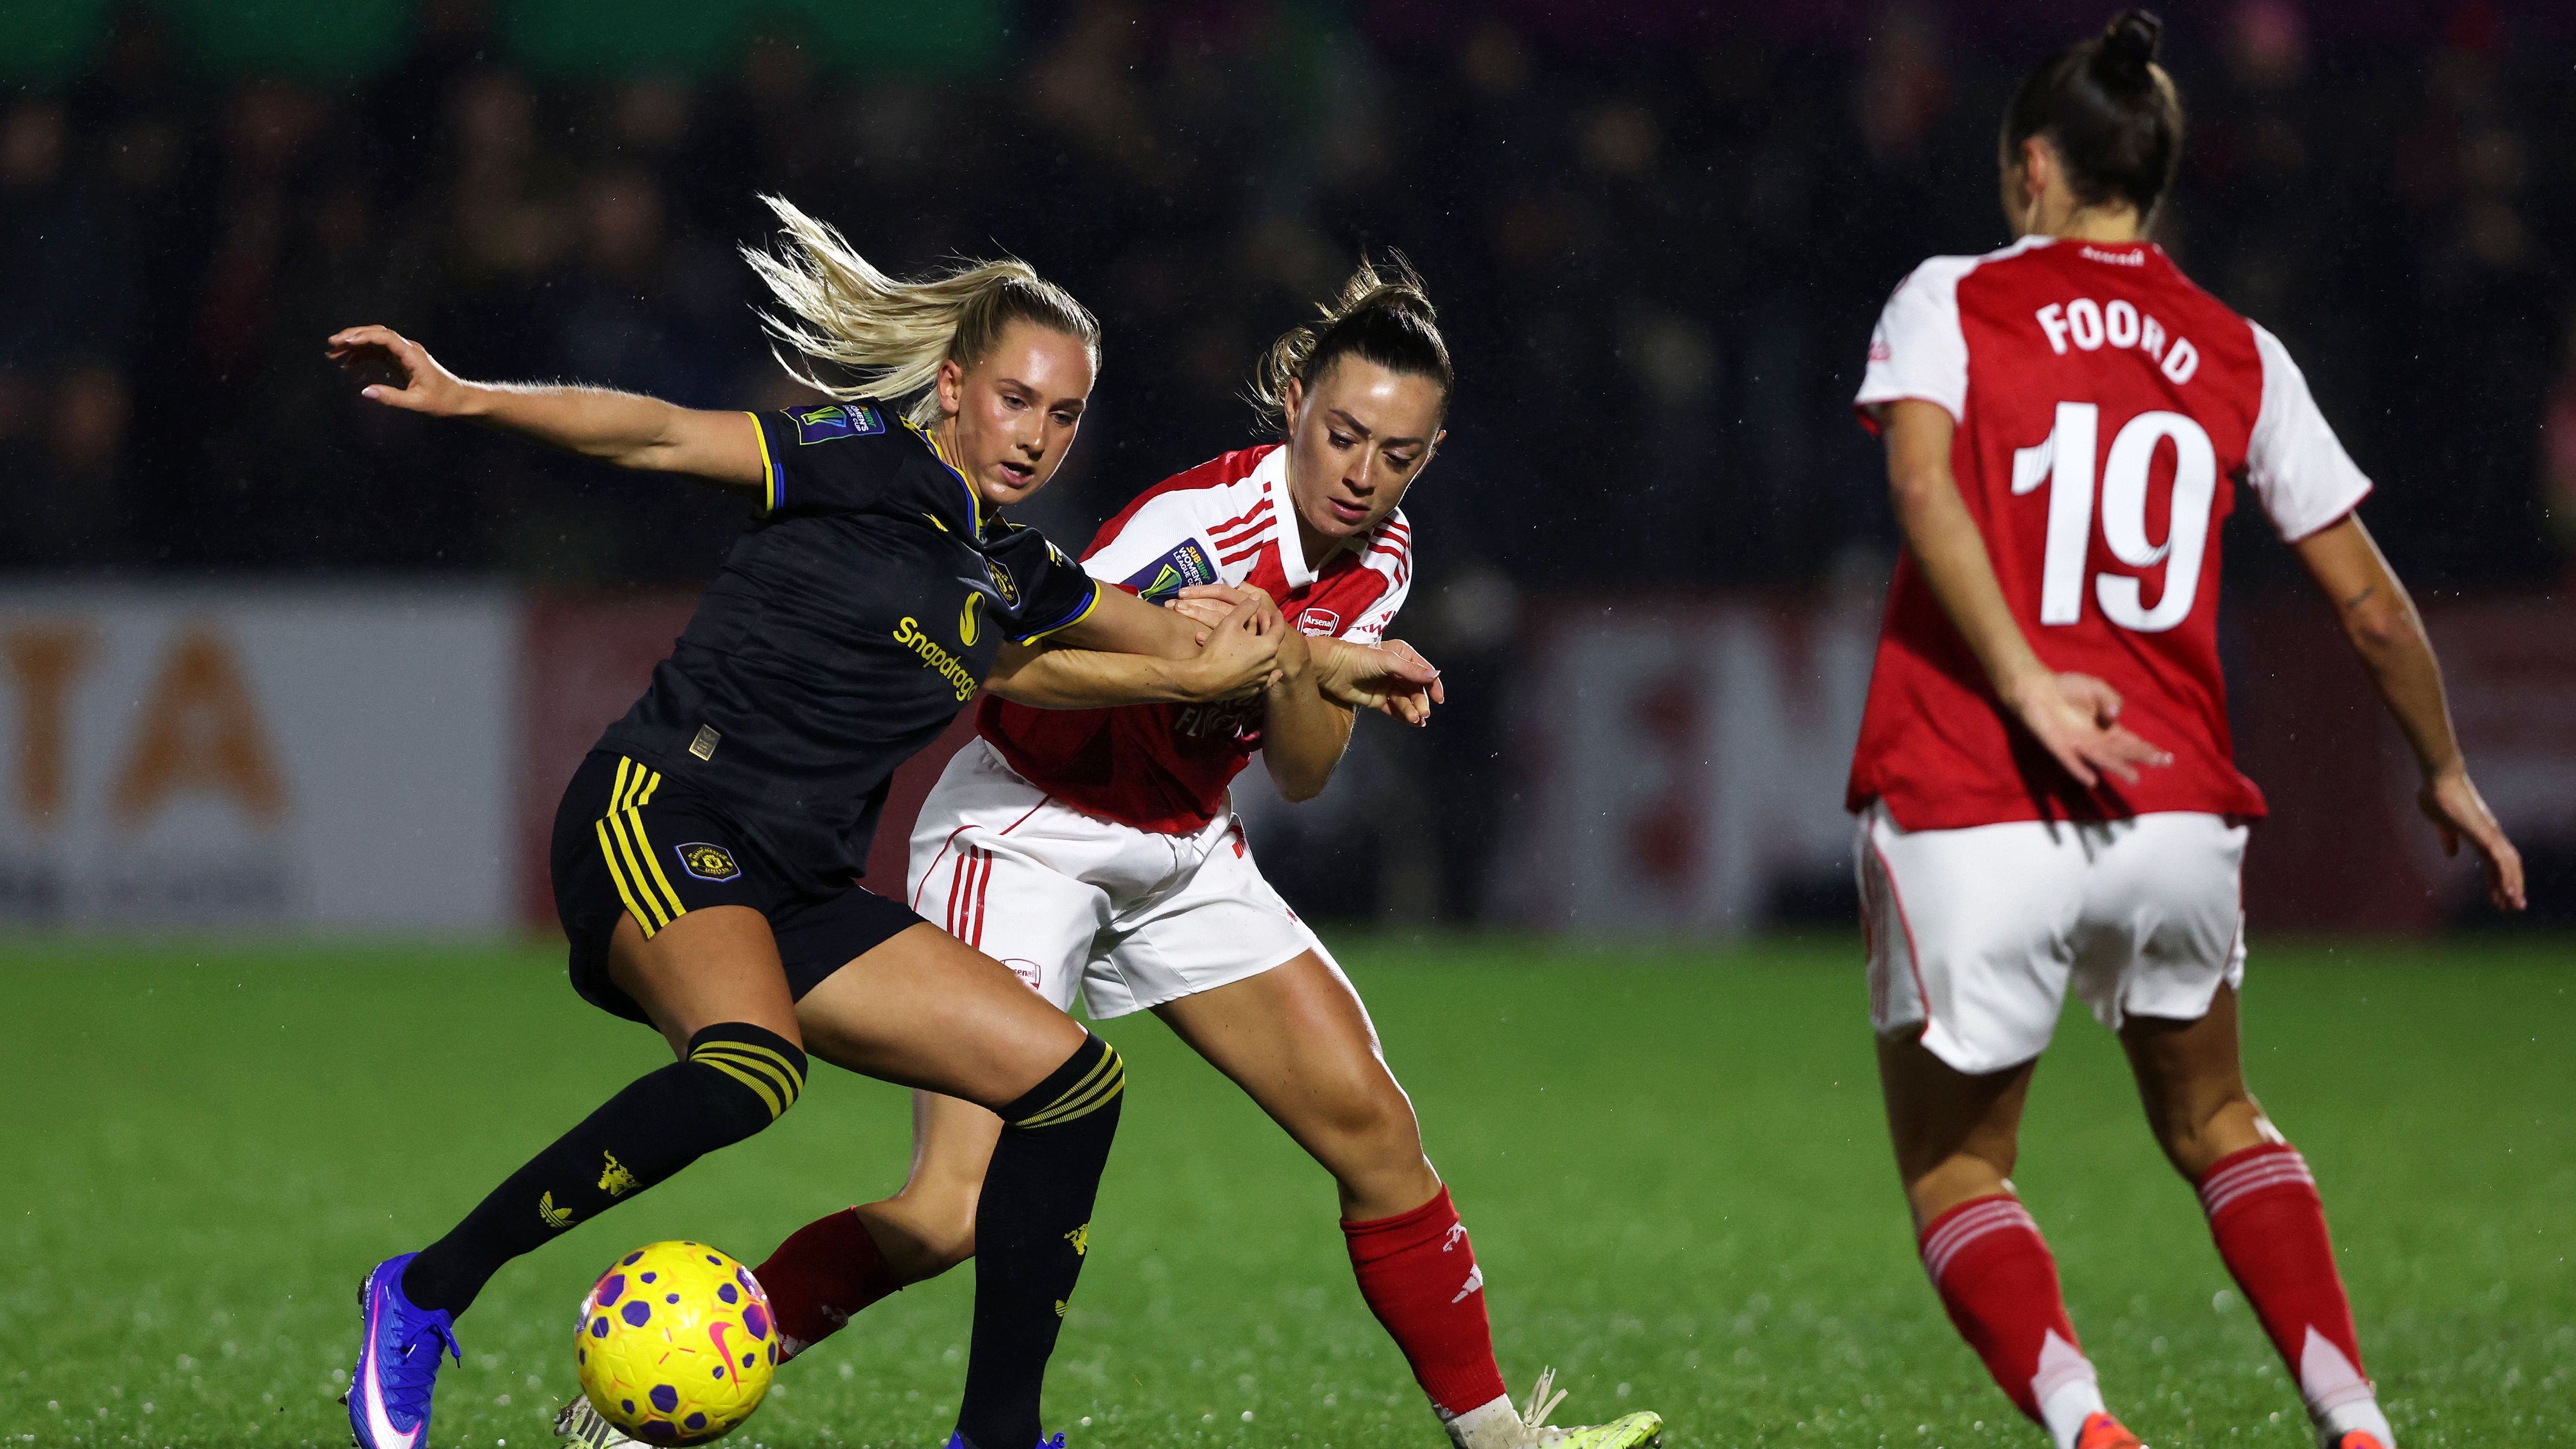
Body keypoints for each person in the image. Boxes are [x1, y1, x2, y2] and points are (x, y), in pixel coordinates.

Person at [328, 195, 1436, 1449]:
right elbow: (652, 436)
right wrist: (471, 394)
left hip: (796, 880)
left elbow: (1188, 641)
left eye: (1063, 413)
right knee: (750, 1069)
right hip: (663, 804)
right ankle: (422, 1291)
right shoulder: (859, 456)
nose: (1035, 436)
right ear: (954, 388)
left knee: (1069, 1084)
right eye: (1016, 399)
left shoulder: (1017, 568)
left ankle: (997, 1436)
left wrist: (1347, 663)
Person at [554, 258, 1662, 1449]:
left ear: (1427, 457)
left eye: (1396, 453)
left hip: (1183, 845)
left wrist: (1286, 656)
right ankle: (663, 1386)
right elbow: (1014, 659)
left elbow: (1300, 767)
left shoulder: (1383, 556)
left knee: (1377, 1134)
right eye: (1345, 435)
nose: (1362, 472)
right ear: (1294, 401)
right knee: (948, 1210)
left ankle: (1500, 1439)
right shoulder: (1193, 531)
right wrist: (1198, 659)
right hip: (1030, 826)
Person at [1847, 13, 2526, 1449]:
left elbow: (1922, 491)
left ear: (2033, 166)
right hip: (2171, 808)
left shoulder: (1951, 298)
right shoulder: (2236, 349)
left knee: (1962, 1168)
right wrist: (2445, 773)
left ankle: (2089, 1427)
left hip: (1980, 793)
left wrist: (2028, 683)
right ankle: (2356, 1420)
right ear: (2152, 177)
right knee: (2219, 1120)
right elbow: (2376, 612)